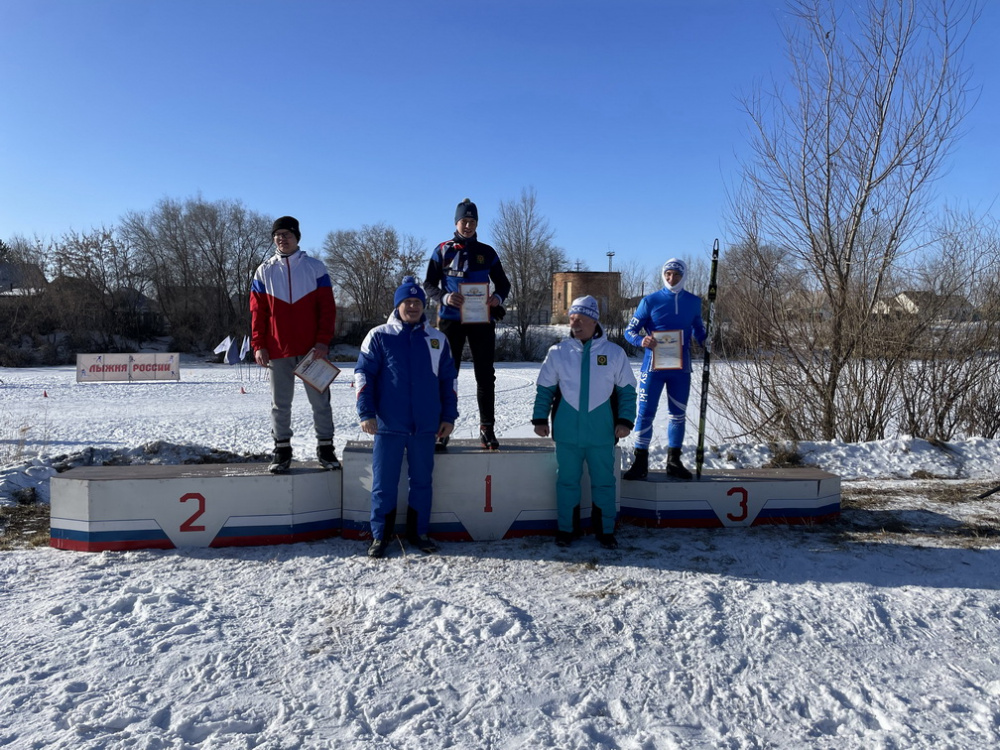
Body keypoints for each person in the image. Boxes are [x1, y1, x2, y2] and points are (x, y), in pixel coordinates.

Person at [355, 276, 459, 558]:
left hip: (425, 425)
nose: (412, 306)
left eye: (417, 302)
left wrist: (449, 416)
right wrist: (366, 412)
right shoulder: (379, 335)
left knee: (422, 482)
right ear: (398, 305)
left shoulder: (437, 339)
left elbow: (448, 381)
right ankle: (381, 535)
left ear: (423, 305)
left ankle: (419, 532)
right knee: (383, 484)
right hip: (388, 424)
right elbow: (364, 375)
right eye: (407, 302)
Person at [532, 296, 637, 549]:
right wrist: (539, 418)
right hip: (567, 433)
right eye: (571, 319)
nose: (574, 324)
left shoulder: (614, 353)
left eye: (580, 319)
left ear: (594, 320)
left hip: (602, 433)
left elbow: (627, 392)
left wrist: (625, 421)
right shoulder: (558, 353)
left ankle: (605, 531)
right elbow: (545, 389)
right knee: (567, 482)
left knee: (604, 483)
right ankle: (567, 530)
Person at [250, 216, 339, 473]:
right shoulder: (264, 270)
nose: (282, 239)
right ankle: (282, 450)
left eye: (287, 234)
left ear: (297, 237)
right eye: (277, 235)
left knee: (320, 402)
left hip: (312, 351)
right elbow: (257, 312)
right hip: (278, 349)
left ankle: (325, 448)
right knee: (280, 404)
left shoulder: (315, 267)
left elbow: (327, 309)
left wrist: (322, 341)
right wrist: (259, 344)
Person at [424, 198, 511, 451]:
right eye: (464, 220)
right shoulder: (443, 250)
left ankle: (487, 428)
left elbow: (503, 284)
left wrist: (497, 298)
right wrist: (444, 297)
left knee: (485, 375)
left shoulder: (487, 252)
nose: (468, 225)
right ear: (456, 222)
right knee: (447, 374)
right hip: (451, 320)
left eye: (473, 221)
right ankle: (442, 428)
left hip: (481, 320)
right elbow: (428, 284)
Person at [623, 258, 706, 480]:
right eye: (668, 274)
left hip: (680, 368)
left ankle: (674, 461)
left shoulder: (693, 302)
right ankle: (640, 462)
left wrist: (705, 340)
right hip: (653, 368)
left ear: (683, 276)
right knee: (645, 414)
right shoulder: (650, 301)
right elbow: (629, 331)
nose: (672, 278)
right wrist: (641, 340)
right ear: (663, 275)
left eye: (677, 274)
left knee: (678, 415)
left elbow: (698, 329)